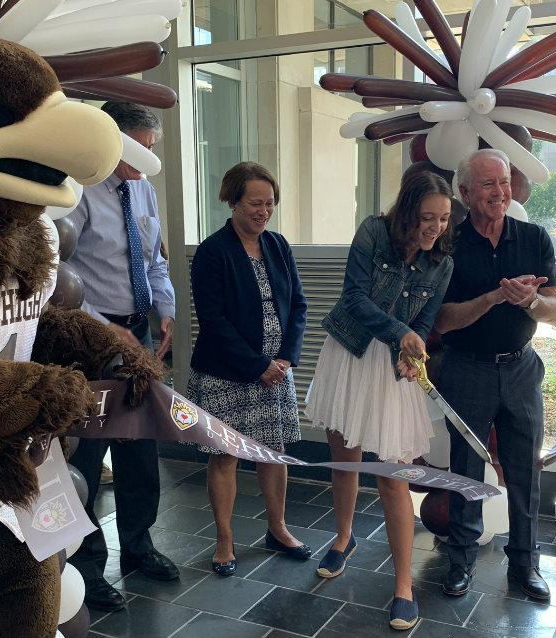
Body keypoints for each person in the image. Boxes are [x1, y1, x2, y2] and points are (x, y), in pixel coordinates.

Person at [306, 170, 454, 631]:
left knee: (394, 476)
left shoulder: (443, 263)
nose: (435, 228)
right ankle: (344, 537)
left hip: (393, 363)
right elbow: (352, 298)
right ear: (407, 212)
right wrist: (401, 334)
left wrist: (414, 352)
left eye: (445, 219)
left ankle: (404, 585)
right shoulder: (373, 230)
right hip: (350, 352)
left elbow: (426, 320)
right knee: (345, 456)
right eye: (427, 218)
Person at [64, 101, 179, 613]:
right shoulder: (76, 189)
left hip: (137, 336)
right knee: (87, 458)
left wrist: (165, 312)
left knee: (139, 450)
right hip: (89, 338)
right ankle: (88, 569)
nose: (147, 162)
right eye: (140, 151)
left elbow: (153, 259)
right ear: (112, 141)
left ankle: (138, 546)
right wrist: (105, 329)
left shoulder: (144, 189)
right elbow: (56, 276)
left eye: (152, 152)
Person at [433, 148, 556, 602]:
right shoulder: (448, 243)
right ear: (465, 193)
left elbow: (555, 311)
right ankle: (461, 561)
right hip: (466, 370)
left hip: (521, 368)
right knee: (466, 470)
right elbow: (441, 321)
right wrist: (491, 299)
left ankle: (525, 565)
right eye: (487, 184)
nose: (499, 192)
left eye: (504, 181)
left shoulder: (534, 238)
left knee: (524, 470)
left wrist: (527, 301)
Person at [188, 162, 311, 576]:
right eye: (255, 203)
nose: (264, 211)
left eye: (270, 203)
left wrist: (286, 359)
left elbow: (298, 306)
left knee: (273, 454)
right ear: (232, 201)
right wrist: (258, 365)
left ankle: (277, 529)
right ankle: (224, 540)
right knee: (226, 457)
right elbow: (214, 320)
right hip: (227, 374)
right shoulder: (212, 251)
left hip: (277, 372)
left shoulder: (278, 246)